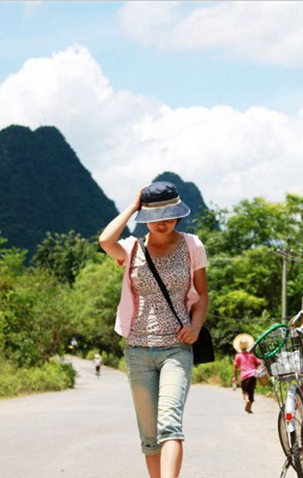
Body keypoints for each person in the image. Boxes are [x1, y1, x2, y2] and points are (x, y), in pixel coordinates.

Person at [99, 181, 209, 478]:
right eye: (157, 216)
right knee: (149, 437)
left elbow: (202, 295)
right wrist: (134, 205)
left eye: (171, 215)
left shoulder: (191, 245)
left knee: (169, 425)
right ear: (145, 216)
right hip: (137, 350)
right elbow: (105, 240)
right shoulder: (131, 247)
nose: (164, 222)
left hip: (176, 347)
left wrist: (195, 327)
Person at [233, 333, 262, 413]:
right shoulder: (252, 355)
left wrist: (234, 376)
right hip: (253, 375)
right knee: (251, 391)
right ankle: (249, 408)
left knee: (245, 392)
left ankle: (247, 400)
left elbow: (235, 366)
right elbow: (259, 363)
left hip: (244, 376)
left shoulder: (238, 356)